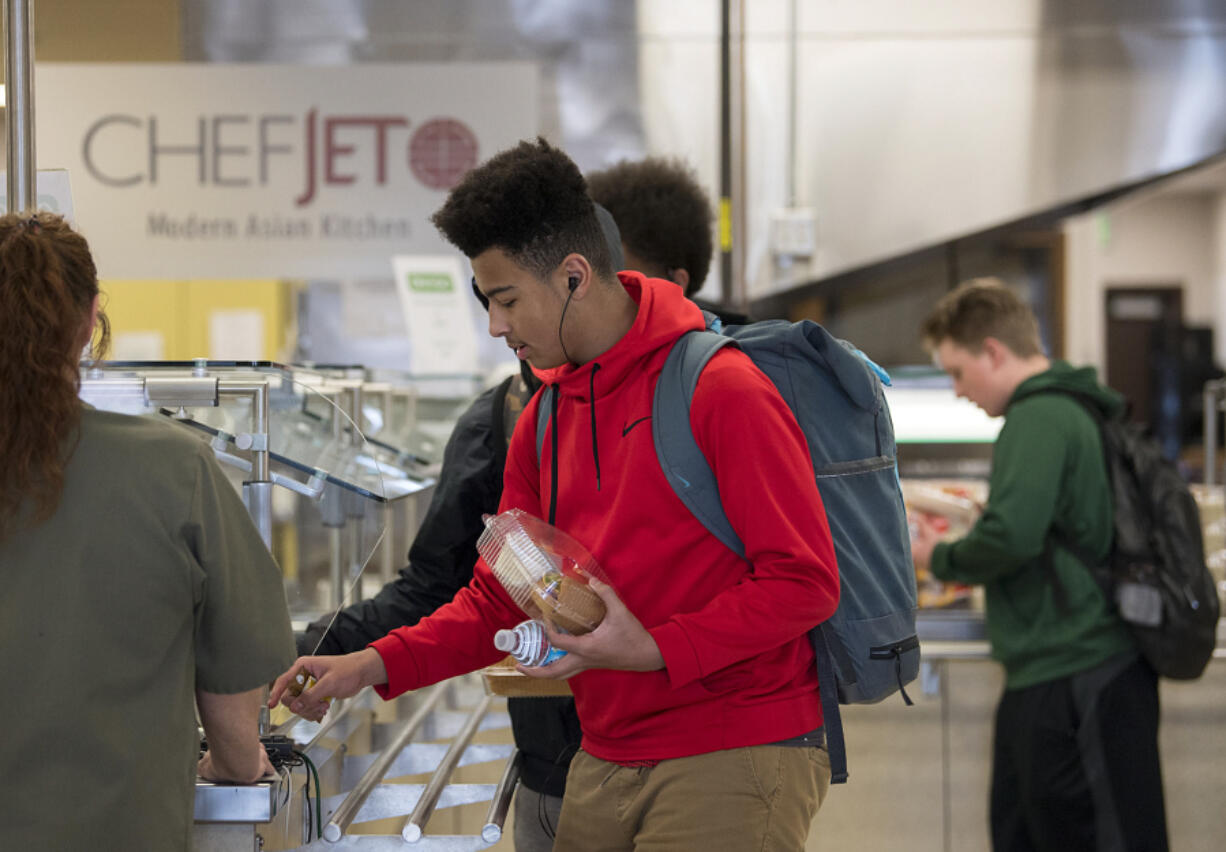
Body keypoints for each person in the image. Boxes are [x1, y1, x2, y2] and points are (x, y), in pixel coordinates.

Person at [271, 138, 839, 851]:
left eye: (507, 300)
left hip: (732, 748)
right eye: (486, 303)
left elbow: (805, 582)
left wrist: (655, 648)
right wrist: (369, 665)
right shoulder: (542, 420)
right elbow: (498, 596)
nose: (496, 327)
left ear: (574, 276)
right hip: (604, 752)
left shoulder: (720, 389)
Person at [0, 212, 297, 850]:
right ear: (88, 320)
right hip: (114, 826)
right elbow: (232, 678)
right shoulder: (172, 467)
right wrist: (239, 764)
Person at [910, 278, 1168, 852]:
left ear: (994, 352)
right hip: (1075, 669)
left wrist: (935, 556)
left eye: (957, 372)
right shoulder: (1073, 409)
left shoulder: (1040, 417)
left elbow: (1012, 538)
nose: (957, 391)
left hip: (1074, 672)